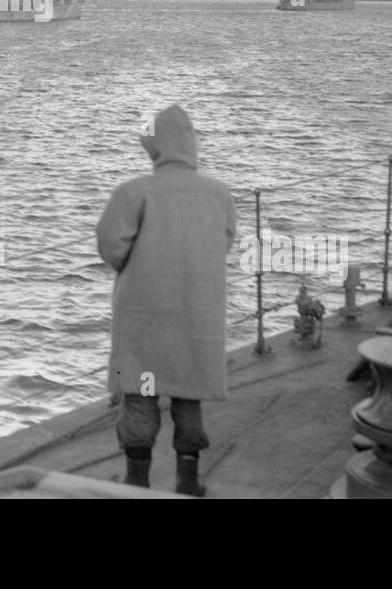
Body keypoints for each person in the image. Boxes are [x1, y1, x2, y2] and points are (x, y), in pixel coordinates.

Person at [95, 104, 238, 496]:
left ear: (153, 145)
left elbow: (111, 246)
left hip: (143, 318)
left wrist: (136, 266)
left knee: (140, 396)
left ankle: (137, 482)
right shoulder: (218, 194)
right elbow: (223, 243)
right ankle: (187, 481)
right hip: (197, 317)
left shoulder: (133, 192)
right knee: (188, 396)